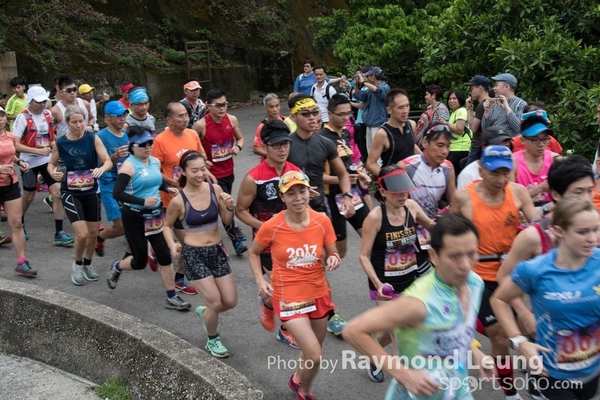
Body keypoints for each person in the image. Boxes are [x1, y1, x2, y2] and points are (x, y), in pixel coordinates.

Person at [343, 213, 494, 399]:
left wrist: (476, 353)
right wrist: (404, 375)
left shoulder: (475, 284)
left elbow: (455, 329)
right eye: (454, 256)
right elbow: (353, 330)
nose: (465, 265)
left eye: (471, 254)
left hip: (457, 391)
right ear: (434, 256)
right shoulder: (419, 301)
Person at [492, 197, 600, 400]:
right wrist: (519, 341)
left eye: (596, 229)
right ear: (559, 231)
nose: (592, 238)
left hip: (591, 373)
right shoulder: (535, 270)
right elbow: (499, 300)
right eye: (583, 232)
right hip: (550, 375)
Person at [452, 145, 537, 400]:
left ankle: (540, 381)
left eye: (505, 173)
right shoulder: (464, 197)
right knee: (499, 335)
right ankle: (511, 393)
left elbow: (539, 229)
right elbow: (448, 235)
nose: (501, 180)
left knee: (531, 329)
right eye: (494, 173)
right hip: (478, 278)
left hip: (511, 275)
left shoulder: (519, 192)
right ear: (480, 170)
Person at [248, 171, 341, 400]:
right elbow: (254, 252)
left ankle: (298, 377)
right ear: (282, 197)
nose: (298, 198)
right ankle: (304, 390)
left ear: (309, 192)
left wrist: (333, 259)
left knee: (311, 350)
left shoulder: (322, 221)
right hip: (288, 295)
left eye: (302, 191)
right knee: (315, 354)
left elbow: (333, 252)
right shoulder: (272, 225)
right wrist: (260, 280)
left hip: (318, 292)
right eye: (291, 194)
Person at [495, 155, 595, 337]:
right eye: (578, 192)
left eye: (590, 191)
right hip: (551, 335)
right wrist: (523, 312)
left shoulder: (595, 227)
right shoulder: (534, 235)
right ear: (556, 194)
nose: (586, 199)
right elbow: (504, 275)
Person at [358, 166, 435, 382]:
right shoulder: (375, 218)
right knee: (399, 337)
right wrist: (378, 284)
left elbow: (432, 226)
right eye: (397, 192)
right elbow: (363, 256)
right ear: (383, 191)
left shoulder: (412, 207)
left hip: (411, 282)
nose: (403, 195)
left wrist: (452, 224)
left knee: (390, 331)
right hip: (385, 287)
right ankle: (405, 385)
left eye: (405, 191)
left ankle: (374, 355)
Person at [106, 126, 191, 312]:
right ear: (132, 147)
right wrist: (142, 201)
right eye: (143, 144)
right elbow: (117, 193)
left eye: (150, 143)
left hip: (154, 215)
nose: (148, 147)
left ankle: (172, 297)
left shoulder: (154, 162)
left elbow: (154, 182)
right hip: (134, 216)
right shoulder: (129, 166)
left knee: (164, 256)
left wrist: (167, 188)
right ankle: (117, 266)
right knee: (139, 261)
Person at [164, 150, 238, 357]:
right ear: (183, 172)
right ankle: (212, 340)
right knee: (215, 301)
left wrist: (230, 207)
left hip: (216, 251)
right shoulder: (179, 200)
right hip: (193, 254)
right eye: (194, 170)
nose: (199, 174)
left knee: (230, 301)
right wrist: (172, 245)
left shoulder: (215, 189)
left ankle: (206, 313)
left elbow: (227, 220)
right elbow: (166, 225)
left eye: (202, 169)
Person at [236, 119, 301, 348]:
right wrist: (265, 227)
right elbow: (240, 210)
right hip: (266, 245)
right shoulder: (254, 178)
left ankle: (268, 303)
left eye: (286, 144)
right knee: (287, 288)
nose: (282, 149)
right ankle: (286, 330)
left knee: (291, 286)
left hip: (294, 240)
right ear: (265, 146)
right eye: (276, 145)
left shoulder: (295, 172)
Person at [153, 102, 214, 295]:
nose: (185, 118)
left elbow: (201, 157)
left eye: (186, 114)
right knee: (188, 243)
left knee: (193, 241)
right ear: (168, 120)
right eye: (180, 116)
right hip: (172, 200)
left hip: (195, 198)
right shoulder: (160, 141)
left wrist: (205, 171)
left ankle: (179, 274)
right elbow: (154, 170)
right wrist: (173, 182)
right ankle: (179, 278)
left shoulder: (193, 134)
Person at [48, 105, 112, 286]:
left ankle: (87, 264)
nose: (79, 125)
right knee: (82, 234)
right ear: (67, 123)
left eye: (81, 121)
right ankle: (77, 265)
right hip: (71, 192)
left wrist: (101, 169)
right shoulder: (60, 143)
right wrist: (53, 173)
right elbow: (51, 164)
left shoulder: (92, 138)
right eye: (74, 122)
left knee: (93, 233)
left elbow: (107, 161)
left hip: (91, 191)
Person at [13, 86, 73, 246]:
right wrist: (37, 151)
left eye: (43, 101)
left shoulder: (47, 114)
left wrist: (57, 145)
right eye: (38, 102)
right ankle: (19, 222)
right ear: (30, 101)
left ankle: (59, 233)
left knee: (58, 193)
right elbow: (16, 145)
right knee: (29, 196)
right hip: (28, 162)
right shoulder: (22, 117)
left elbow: (51, 138)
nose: (41, 105)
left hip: (47, 161)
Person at [193, 89, 247, 256]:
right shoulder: (200, 125)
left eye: (225, 104)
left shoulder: (232, 119)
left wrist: (238, 147)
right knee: (223, 205)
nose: (222, 108)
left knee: (220, 206)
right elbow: (192, 146)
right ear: (208, 106)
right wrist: (202, 161)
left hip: (228, 171)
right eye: (218, 105)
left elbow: (241, 138)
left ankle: (219, 236)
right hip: (211, 175)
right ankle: (235, 240)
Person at [320, 94, 371, 259]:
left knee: (373, 237)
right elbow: (316, 176)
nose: (346, 118)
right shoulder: (322, 139)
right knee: (338, 252)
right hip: (331, 197)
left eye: (348, 113)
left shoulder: (346, 134)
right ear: (330, 113)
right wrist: (341, 179)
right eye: (341, 114)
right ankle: (314, 272)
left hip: (351, 193)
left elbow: (349, 164)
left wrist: (360, 174)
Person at [0, 106, 35, 276]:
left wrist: (20, 162)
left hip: (10, 184)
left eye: (2, 116)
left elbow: (10, 154)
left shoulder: (10, 137)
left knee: (16, 223)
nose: (0, 119)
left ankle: (22, 262)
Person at [95, 101, 130, 257]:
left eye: (124, 115)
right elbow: (101, 163)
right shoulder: (100, 137)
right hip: (109, 184)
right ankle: (100, 237)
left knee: (134, 221)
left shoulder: (127, 135)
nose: (122, 119)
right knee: (121, 226)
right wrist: (115, 157)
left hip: (128, 183)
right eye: (118, 116)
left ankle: (130, 257)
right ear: (107, 118)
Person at [400, 124, 456, 222]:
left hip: (433, 224)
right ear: (425, 143)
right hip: (407, 225)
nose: (445, 151)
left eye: (448, 146)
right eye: (440, 145)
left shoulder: (448, 168)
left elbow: (454, 204)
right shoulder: (406, 165)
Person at [366, 89, 420, 177]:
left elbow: (410, 145)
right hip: (394, 180)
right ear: (389, 110)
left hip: (412, 178)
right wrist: (387, 179)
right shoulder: (383, 133)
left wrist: (426, 160)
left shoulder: (411, 124)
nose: (405, 111)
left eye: (407, 106)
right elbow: (370, 163)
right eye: (400, 107)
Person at [513, 110, 560, 206]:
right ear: (522, 140)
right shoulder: (513, 162)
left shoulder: (555, 160)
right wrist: (540, 188)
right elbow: (510, 200)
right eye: (535, 140)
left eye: (544, 139)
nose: (541, 144)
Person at [353, 67, 391, 153]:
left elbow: (378, 91)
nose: (366, 78)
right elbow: (361, 96)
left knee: (378, 151)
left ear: (373, 76)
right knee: (370, 150)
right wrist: (356, 85)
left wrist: (364, 82)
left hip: (378, 123)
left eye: (368, 76)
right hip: (369, 123)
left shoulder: (385, 87)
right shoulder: (370, 89)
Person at [481, 73, 527, 137]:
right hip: (494, 142)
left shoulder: (521, 104)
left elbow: (519, 129)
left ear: (506, 87)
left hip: (510, 142)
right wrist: (486, 113)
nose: (494, 88)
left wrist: (507, 108)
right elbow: (485, 130)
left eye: (496, 85)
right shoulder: (495, 103)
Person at [464, 75, 492, 166]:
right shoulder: (491, 102)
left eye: (472, 88)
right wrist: (470, 108)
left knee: (467, 170)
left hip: (478, 145)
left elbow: (473, 129)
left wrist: (468, 109)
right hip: (486, 144)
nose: (470, 92)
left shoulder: (482, 105)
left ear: (480, 88)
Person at [444, 89, 472, 174]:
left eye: (454, 98)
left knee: (449, 173)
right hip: (454, 147)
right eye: (450, 99)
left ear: (460, 100)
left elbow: (459, 130)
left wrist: (445, 123)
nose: (451, 101)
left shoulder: (461, 111)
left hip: (461, 148)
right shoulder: (454, 113)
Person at [252, 93, 286, 157]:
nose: (275, 109)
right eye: (271, 107)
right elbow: (256, 148)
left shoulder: (286, 121)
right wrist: (272, 156)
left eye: (277, 106)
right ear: (265, 108)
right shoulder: (262, 126)